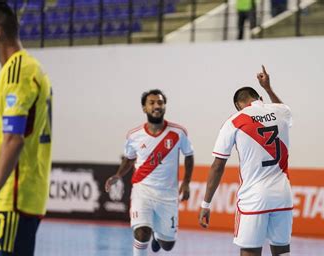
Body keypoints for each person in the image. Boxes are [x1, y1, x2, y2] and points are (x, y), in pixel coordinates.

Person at [199, 66, 293, 256]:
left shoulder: (234, 121)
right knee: (282, 251)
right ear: (260, 98)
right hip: (283, 194)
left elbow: (218, 166)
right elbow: (283, 110)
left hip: (254, 197)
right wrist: (268, 87)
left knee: (250, 251)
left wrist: (206, 204)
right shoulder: (282, 112)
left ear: (237, 105)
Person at [0, 1, 53, 255]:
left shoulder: (18, 70)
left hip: (10, 199)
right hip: (18, 198)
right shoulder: (20, 71)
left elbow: (14, 139)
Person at [105, 89, 194, 256]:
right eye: (151, 103)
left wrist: (187, 182)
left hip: (168, 194)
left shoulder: (178, 132)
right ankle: (148, 234)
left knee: (167, 244)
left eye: (160, 103)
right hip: (142, 190)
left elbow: (189, 156)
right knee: (141, 232)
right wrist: (118, 175)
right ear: (144, 108)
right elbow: (129, 159)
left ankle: (158, 236)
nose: (156, 106)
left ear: (164, 106)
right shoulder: (134, 135)